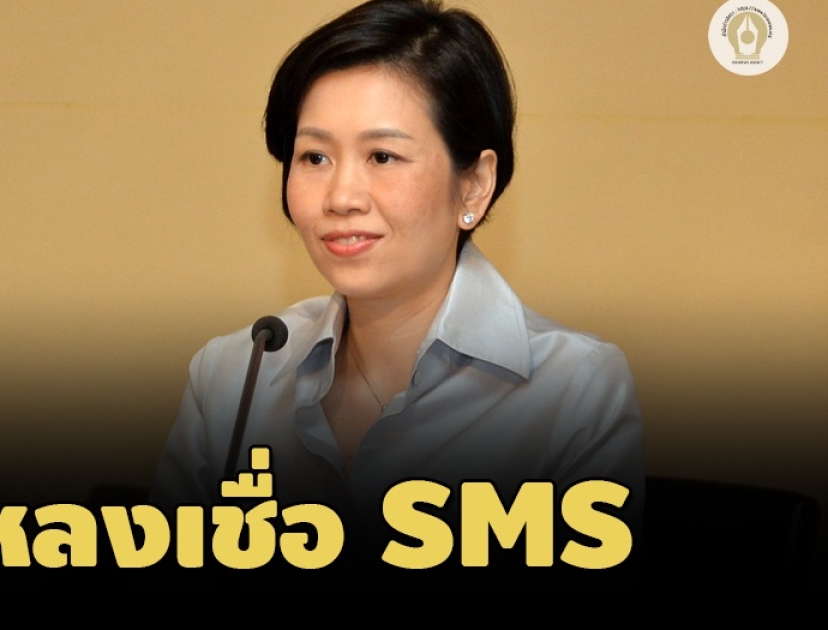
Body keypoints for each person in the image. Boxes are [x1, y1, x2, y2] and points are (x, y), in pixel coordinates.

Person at [151, 0, 643, 574]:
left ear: (474, 184)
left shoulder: (574, 389)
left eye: (382, 156)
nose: (341, 196)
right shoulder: (235, 377)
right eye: (314, 157)